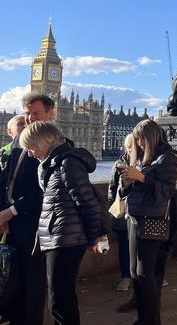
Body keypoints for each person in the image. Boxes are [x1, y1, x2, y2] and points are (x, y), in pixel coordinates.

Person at [20, 121, 108, 324]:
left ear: (44, 142)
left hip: (67, 239)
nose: (30, 153)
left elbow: (86, 201)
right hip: (60, 236)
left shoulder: (68, 163)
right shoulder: (55, 162)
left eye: (31, 147)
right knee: (60, 298)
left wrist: (97, 235)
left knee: (60, 300)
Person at [0, 93, 55, 325]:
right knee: (13, 281)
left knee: (33, 285)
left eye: (36, 113)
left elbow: (44, 192)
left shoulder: (54, 145)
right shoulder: (17, 146)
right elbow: (5, 182)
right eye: (27, 112)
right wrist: (3, 213)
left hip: (34, 227)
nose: (30, 118)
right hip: (12, 226)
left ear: (50, 114)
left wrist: (11, 211)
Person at [121, 119, 177, 325]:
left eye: (140, 139)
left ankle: (152, 320)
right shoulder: (142, 157)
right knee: (134, 272)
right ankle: (143, 317)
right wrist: (126, 181)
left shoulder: (167, 158)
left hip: (151, 220)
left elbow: (168, 190)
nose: (138, 143)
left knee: (145, 275)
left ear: (150, 137)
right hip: (134, 217)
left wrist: (143, 178)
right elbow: (127, 191)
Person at [108, 134, 135, 292]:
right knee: (124, 246)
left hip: (141, 211)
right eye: (131, 146)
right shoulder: (119, 163)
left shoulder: (146, 163)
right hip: (123, 211)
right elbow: (112, 188)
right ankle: (125, 276)